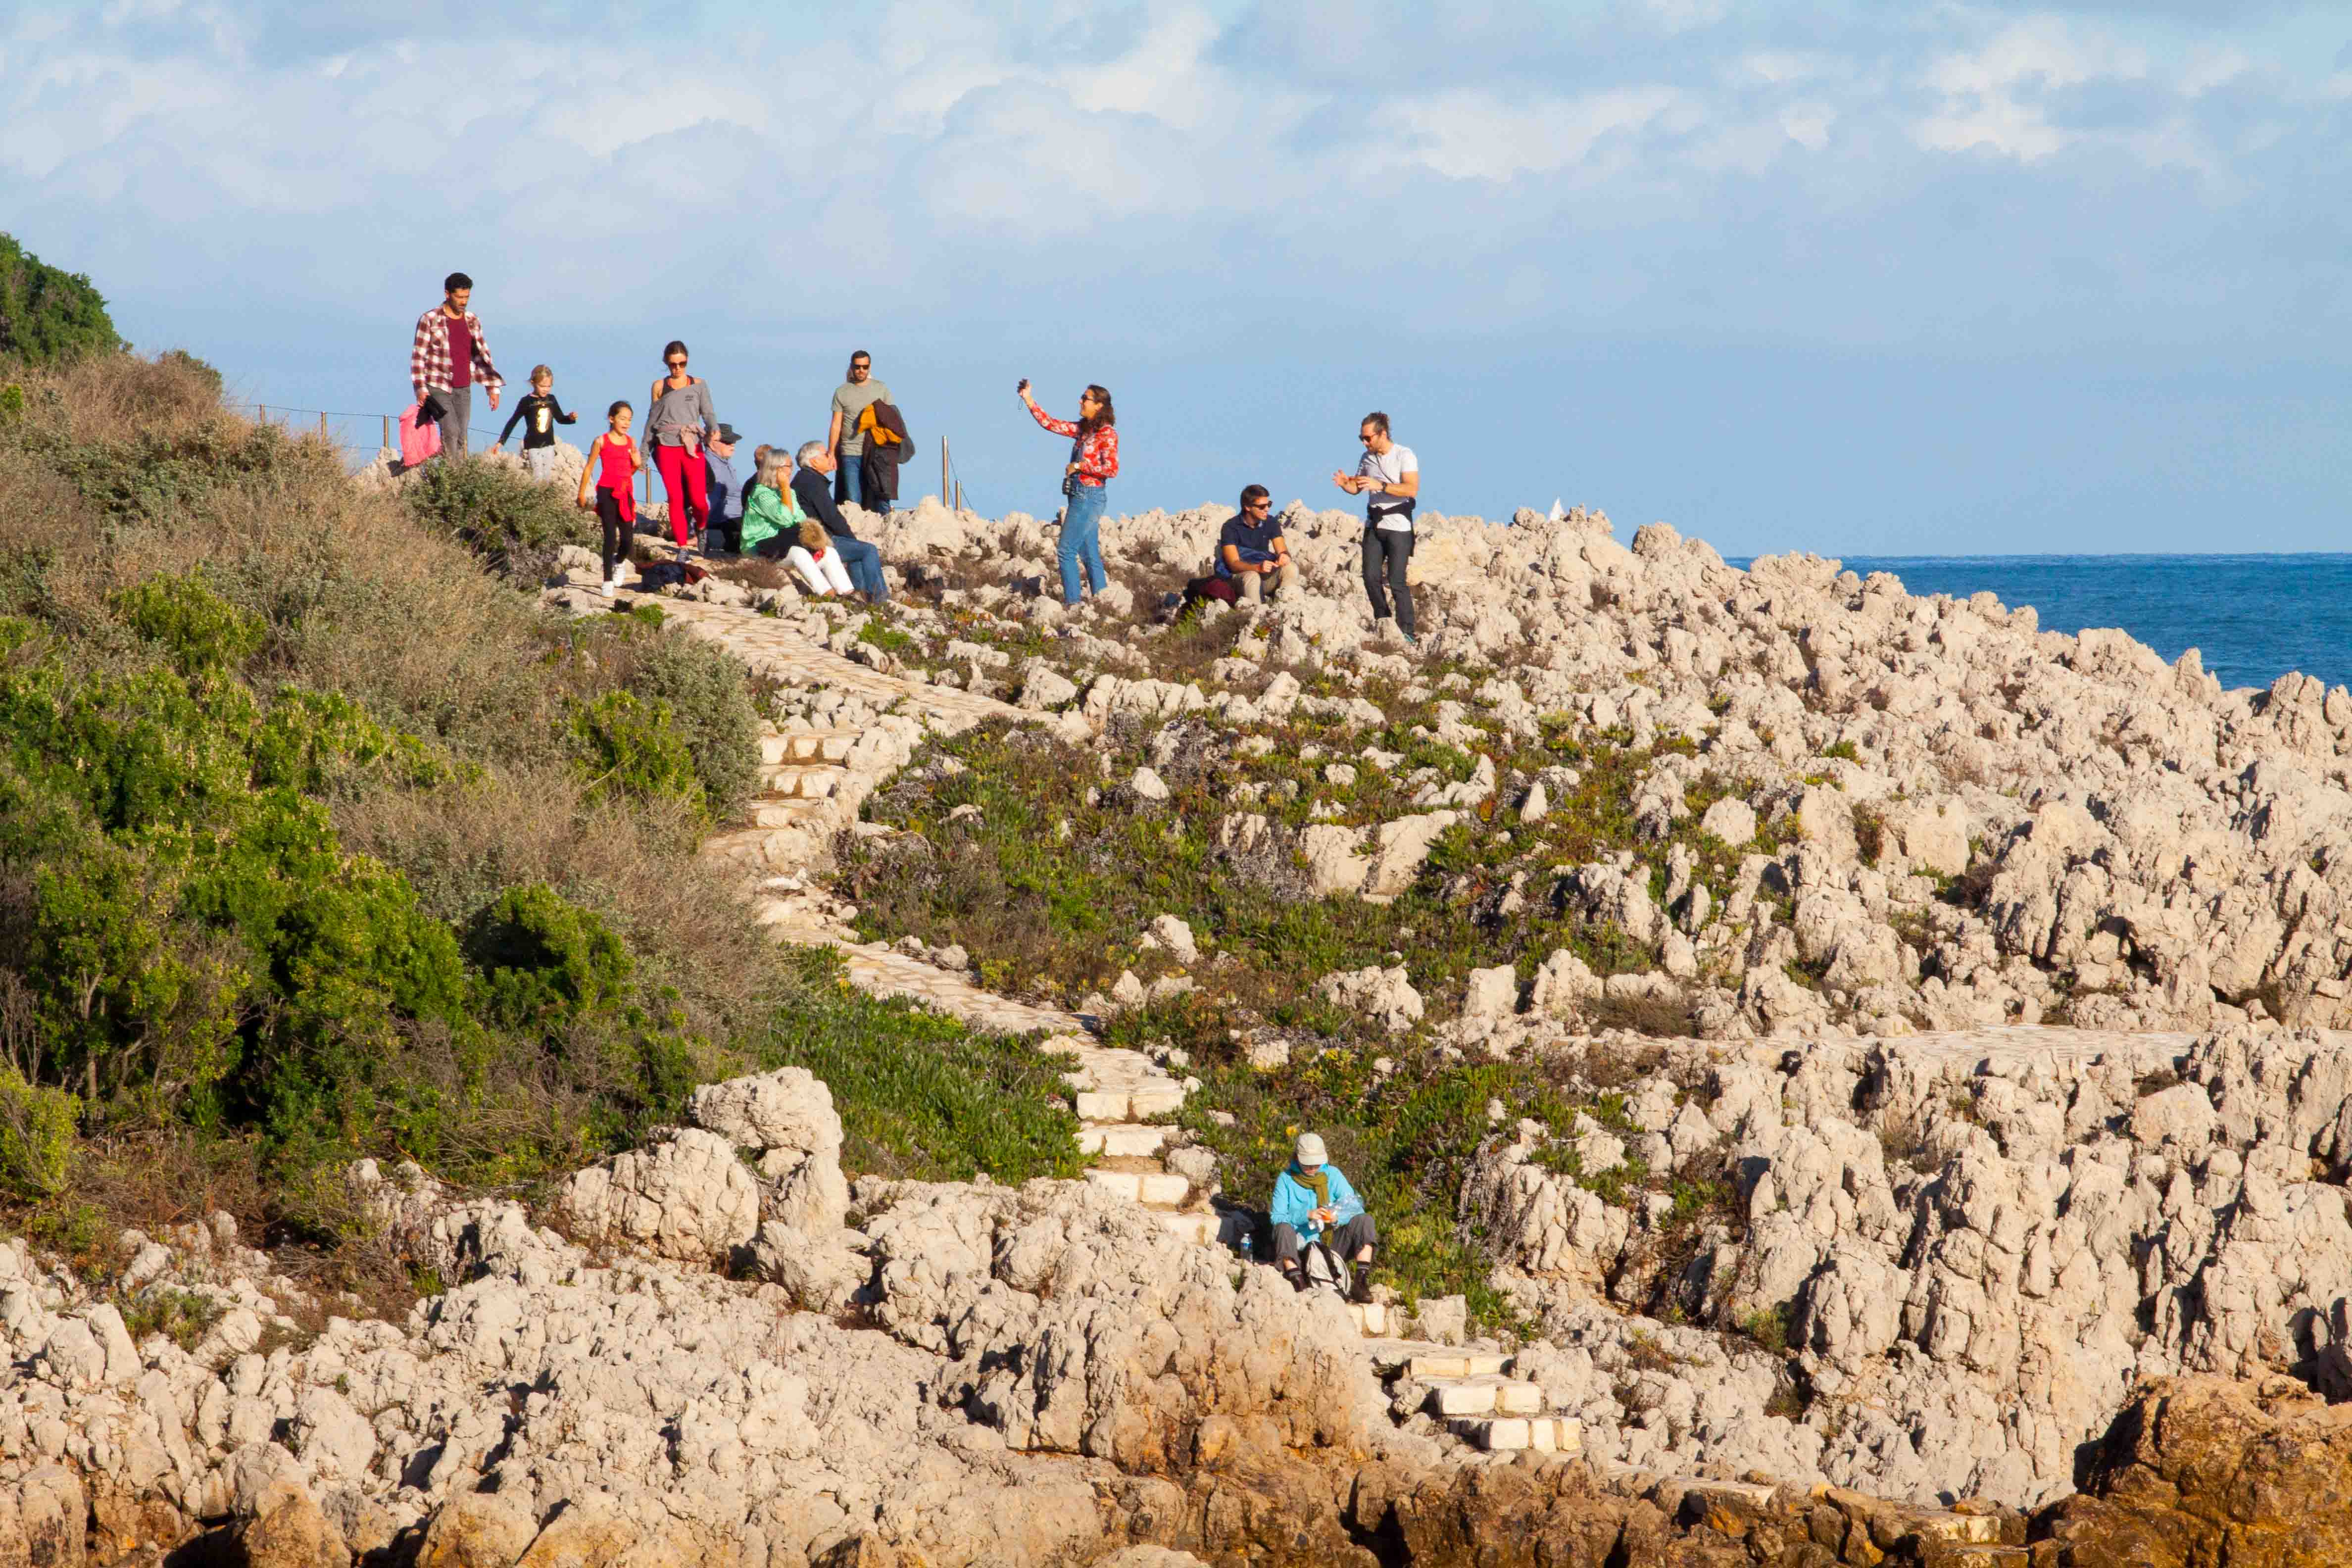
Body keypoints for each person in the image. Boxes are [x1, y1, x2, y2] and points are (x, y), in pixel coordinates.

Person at [1017, 378, 1119, 607]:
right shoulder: (1084, 430)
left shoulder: (1107, 434)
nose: (1080, 401)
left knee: (1065, 550)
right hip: (1078, 495)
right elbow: (1051, 424)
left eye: (1085, 398)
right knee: (1089, 552)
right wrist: (1029, 399)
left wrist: (1080, 466)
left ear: (1099, 405)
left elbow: (1111, 469)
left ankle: (1073, 605)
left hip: (1089, 496)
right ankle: (1103, 605)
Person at [1331, 412, 1420, 645]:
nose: (1364, 443)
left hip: (1399, 526)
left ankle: (1407, 631)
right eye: (1361, 438)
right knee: (1370, 577)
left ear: (1382, 434)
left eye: (1368, 438)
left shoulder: (1404, 455)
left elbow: (1411, 489)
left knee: (1396, 580)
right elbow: (1357, 487)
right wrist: (1344, 485)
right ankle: (1384, 622)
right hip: (1374, 525)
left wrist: (1380, 485)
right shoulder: (1366, 458)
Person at [1269, 1132, 1377, 1303]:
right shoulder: (1286, 1179)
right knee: (1283, 1228)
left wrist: (1336, 1218)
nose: (1312, 1168)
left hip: (1330, 1248)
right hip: (1298, 1248)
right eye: (1307, 1164)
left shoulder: (1333, 1175)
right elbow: (1277, 1217)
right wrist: (1306, 1214)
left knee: (1365, 1220)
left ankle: (1361, 1282)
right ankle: (1297, 1281)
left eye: (1316, 1163)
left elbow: (1354, 1207)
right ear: (1297, 1158)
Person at [408, 272, 503, 461]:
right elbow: (419, 356)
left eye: (466, 297)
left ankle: (457, 478)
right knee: (450, 431)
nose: (463, 302)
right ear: (447, 294)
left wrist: (493, 388)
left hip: (463, 387)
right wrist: (420, 388)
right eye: (459, 297)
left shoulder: (472, 320)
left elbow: (483, 354)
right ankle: (450, 479)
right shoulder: (430, 320)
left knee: (461, 436)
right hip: (438, 385)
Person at [645, 340, 718, 560]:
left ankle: (702, 528)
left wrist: (713, 428)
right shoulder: (659, 386)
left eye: (681, 364)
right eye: (672, 364)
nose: (677, 368)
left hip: (691, 444)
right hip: (665, 445)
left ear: (687, 361)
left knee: (698, 499)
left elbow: (709, 413)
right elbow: (652, 421)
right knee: (675, 497)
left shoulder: (698, 384)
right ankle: (682, 547)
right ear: (666, 363)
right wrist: (643, 453)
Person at [791, 443, 890, 603]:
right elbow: (831, 517)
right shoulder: (813, 482)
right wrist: (850, 537)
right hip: (819, 540)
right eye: (826, 454)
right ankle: (879, 599)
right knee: (868, 551)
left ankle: (862, 595)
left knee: (858, 552)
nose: (831, 457)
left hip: (810, 538)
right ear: (814, 461)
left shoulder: (805, 479)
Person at [574, 401, 645, 598]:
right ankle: (607, 581)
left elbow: (630, 472)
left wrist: (637, 465)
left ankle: (619, 562)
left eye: (630, 420)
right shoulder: (601, 441)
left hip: (626, 493)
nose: (627, 423)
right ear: (612, 419)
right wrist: (581, 493)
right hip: (606, 491)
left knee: (628, 541)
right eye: (623, 418)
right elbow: (589, 467)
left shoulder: (631, 442)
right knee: (610, 538)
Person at [827, 351, 889, 510]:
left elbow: (891, 419)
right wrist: (831, 453)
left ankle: (887, 529)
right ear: (851, 367)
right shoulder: (842, 392)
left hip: (876, 451)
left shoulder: (881, 389)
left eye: (865, 367)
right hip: (850, 452)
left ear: (869, 367)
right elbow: (836, 425)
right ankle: (854, 532)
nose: (861, 370)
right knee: (853, 501)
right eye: (857, 367)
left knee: (882, 495)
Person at [1216, 485, 1295, 605]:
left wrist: (1284, 556)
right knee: (1252, 577)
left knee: (1291, 568)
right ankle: (1257, 615)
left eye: (1269, 504)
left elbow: (1282, 550)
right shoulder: (1230, 527)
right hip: (1240, 580)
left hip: (1264, 578)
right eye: (1262, 506)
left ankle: (1284, 609)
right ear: (1247, 507)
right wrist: (1257, 568)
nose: (1267, 509)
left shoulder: (1271, 522)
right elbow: (1233, 564)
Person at [496, 365, 578, 481]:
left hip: (549, 444)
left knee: (547, 476)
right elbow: (513, 422)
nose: (546, 389)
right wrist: (501, 442)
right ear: (533, 383)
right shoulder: (526, 402)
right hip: (533, 445)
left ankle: (546, 498)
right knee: (538, 476)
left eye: (549, 386)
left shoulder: (552, 400)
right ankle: (536, 497)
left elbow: (560, 419)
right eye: (542, 386)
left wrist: (571, 418)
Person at [787, 517, 856, 598]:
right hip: (783, 551)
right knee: (801, 554)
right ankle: (827, 594)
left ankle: (846, 593)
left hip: (801, 540)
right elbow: (785, 520)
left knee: (830, 552)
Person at [704, 424, 745, 554]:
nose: (733, 445)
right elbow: (709, 503)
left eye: (733, 441)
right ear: (712, 443)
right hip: (727, 522)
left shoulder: (723, 463)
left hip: (733, 519)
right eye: (727, 442)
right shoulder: (715, 467)